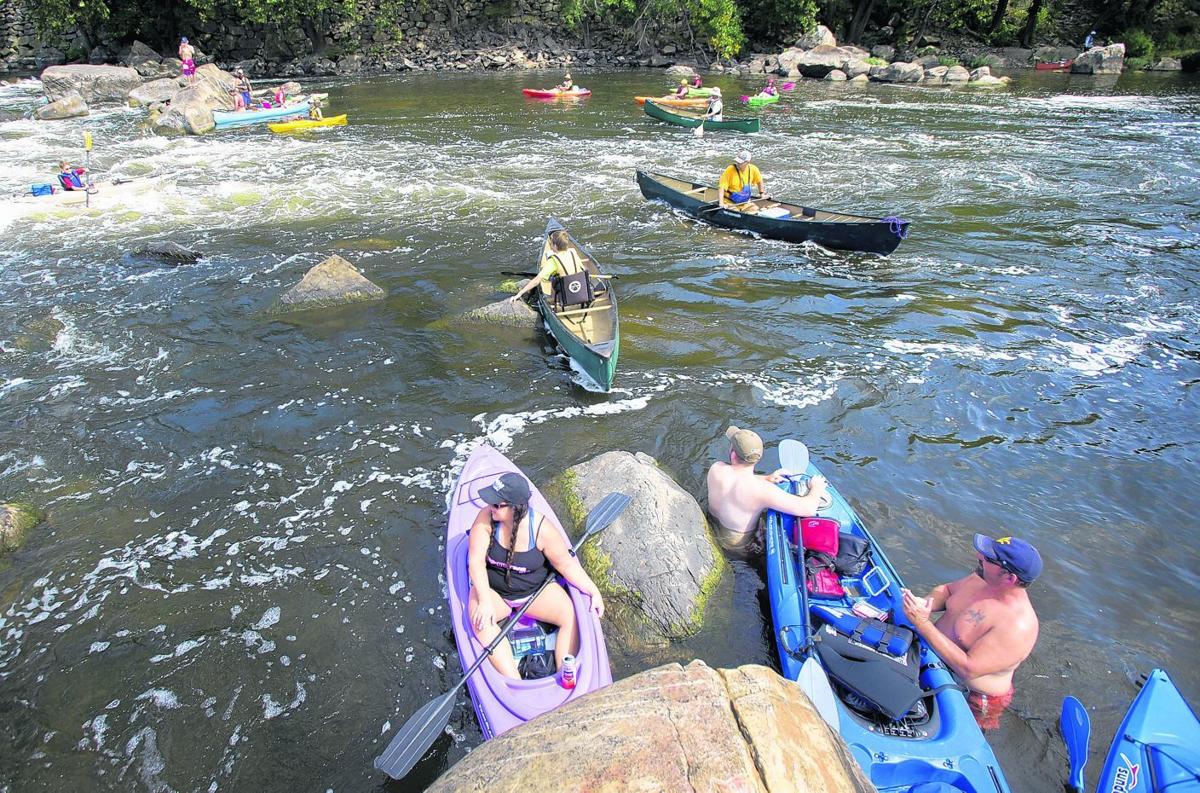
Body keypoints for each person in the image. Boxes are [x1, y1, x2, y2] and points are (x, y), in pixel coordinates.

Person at [467, 471, 605, 679]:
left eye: (497, 504)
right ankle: (514, 682)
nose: (491, 507)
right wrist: (485, 601)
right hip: (494, 593)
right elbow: (475, 562)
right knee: (480, 622)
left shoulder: (542, 529)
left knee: (570, 616)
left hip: (534, 594)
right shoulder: (486, 517)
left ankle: (565, 675)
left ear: (515, 508)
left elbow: (565, 564)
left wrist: (593, 590)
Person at [901, 534, 1042, 731]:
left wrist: (923, 623)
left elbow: (968, 668)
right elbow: (948, 590)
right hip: (934, 659)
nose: (979, 556)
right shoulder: (982, 578)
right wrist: (925, 604)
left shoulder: (1017, 626)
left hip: (973, 695)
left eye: (989, 559)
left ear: (1009, 577)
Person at [706, 426, 829, 551]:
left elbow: (738, 479)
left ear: (733, 455)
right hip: (738, 546)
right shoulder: (762, 490)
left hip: (712, 528)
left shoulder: (716, 468)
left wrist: (767, 478)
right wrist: (816, 488)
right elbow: (808, 509)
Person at [510, 229, 585, 303]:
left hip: (565, 297)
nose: (550, 245)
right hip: (580, 292)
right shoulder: (573, 252)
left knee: (550, 278)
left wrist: (519, 294)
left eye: (551, 243)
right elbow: (583, 269)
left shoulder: (553, 260)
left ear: (555, 246)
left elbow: (536, 280)